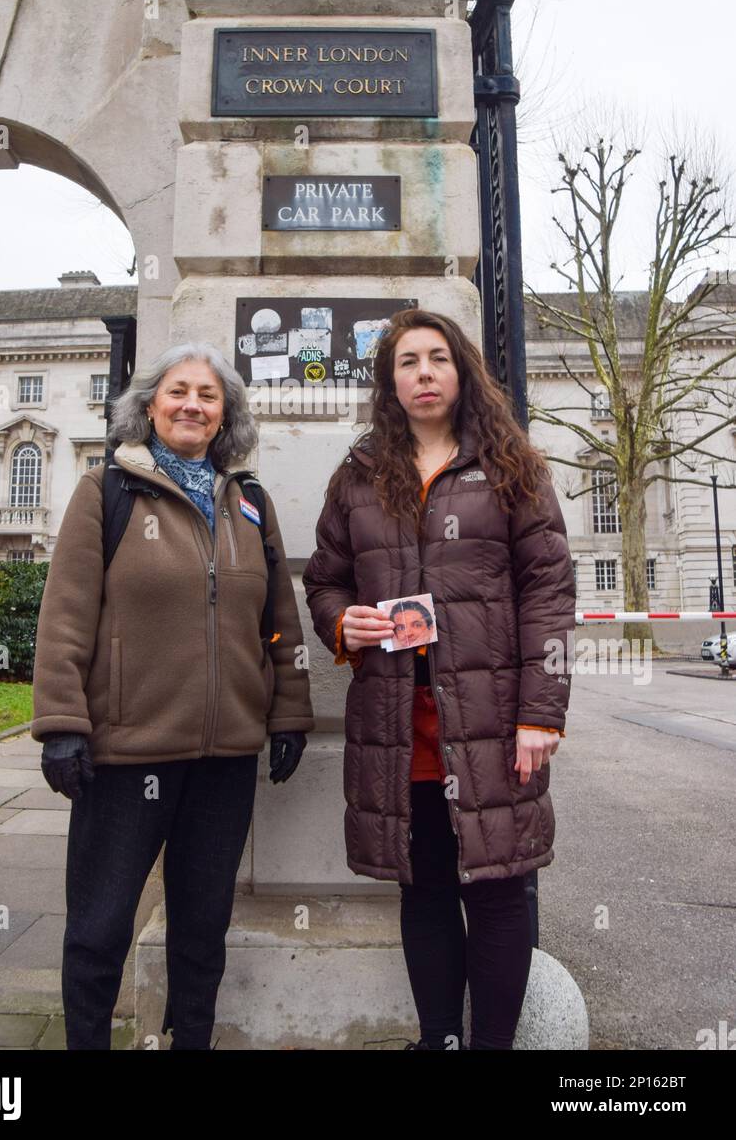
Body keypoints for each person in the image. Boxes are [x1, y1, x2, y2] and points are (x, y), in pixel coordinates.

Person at [302, 308, 575, 1051]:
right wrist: (340, 623)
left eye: (438, 359)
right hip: (399, 724)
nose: (423, 373)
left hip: (491, 719)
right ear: (389, 382)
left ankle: (489, 1043)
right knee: (422, 890)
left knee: (494, 887)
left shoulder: (512, 466)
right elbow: (323, 580)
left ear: (461, 373)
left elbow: (548, 594)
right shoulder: (358, 477)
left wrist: (541, 715)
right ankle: (437, 1040)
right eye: (407, 363)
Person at [31, 343, 313, 1050]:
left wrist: (288, 712)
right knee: (99, 927)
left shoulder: (249, 502)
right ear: (150, 404)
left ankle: (191, 1040)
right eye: (178, 391)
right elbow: (66, 614)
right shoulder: (106, 492)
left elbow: (280, 620)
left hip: (224, 755)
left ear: (226, 416)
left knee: (202, 926)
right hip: (129, 753)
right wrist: (62, 722)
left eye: (208, 396)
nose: (193, 404)